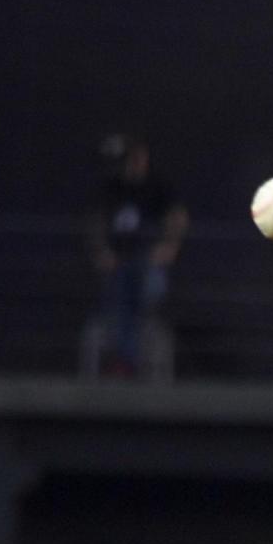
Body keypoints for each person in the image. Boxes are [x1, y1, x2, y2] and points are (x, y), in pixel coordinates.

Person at [89, 135, 186, 377]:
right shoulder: (113, 187)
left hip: (148, 262)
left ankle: (135, 362)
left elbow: (177, 217)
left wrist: (169, 247)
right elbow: (97, 222)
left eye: (138, 157)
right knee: (119, 300)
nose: (134, 163)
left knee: (146, 292)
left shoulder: (157, 186)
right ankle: (127, 363)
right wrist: (102, 251)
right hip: (119, 262)